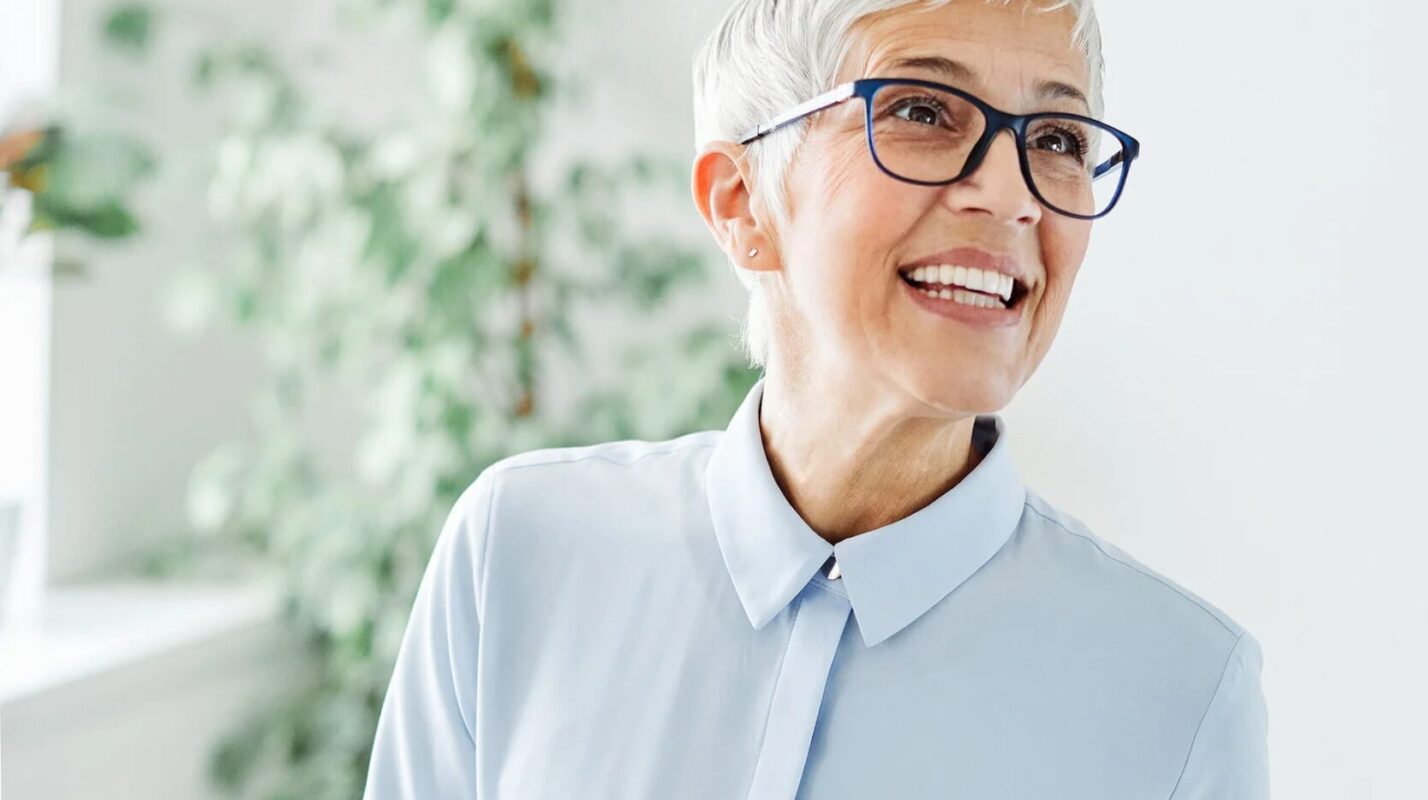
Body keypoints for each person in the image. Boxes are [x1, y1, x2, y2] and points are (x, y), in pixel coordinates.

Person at [363, 0, 1269, 797]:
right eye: (922, 111)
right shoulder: (516, 549)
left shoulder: (1180, 691)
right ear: (743, 205)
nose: (1009, 193)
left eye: (1058, 141)